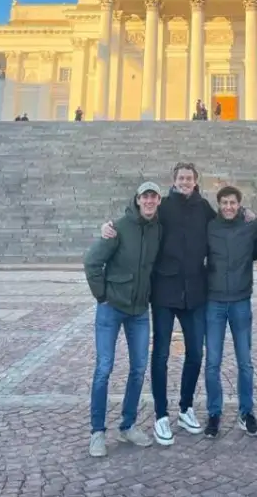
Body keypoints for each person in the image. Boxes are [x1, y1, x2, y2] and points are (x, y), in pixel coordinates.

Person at [101, 162, 214, 446]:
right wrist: (109, 226)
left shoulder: (204, 207)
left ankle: (186, 407)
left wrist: (248, 216)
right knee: (161, 354)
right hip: (164, 291)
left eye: (189, 178)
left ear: (195, 181)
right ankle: (161, 414)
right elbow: (137, 218)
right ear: (173, 181)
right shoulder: (161, 206)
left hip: (195, 293)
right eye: (180, 178)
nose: (185, 182)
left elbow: (226, 222)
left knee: (195, 354)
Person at [83, 182, 163, 457]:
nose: (149, 201)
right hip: (112, 307)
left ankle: (128, 425)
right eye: (145, 196)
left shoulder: (158, 228)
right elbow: (92, 261)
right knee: (104, 368)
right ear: (138, 200)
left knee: (139, 368)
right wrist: (101, 295)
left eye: (154, 196)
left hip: (139, 310)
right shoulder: (118, 227)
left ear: (158, 201)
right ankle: (97, 432)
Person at [204, 185, 257, 439]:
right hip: (214, 301)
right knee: (212, 363)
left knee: (245, 362)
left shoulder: (250, 226)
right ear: (219, 205)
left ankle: (246, 412)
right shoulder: (209, 227)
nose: (229, 207)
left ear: (240, 204)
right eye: (225, 203)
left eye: (233, 203)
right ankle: (214, 413)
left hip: (240, 301)